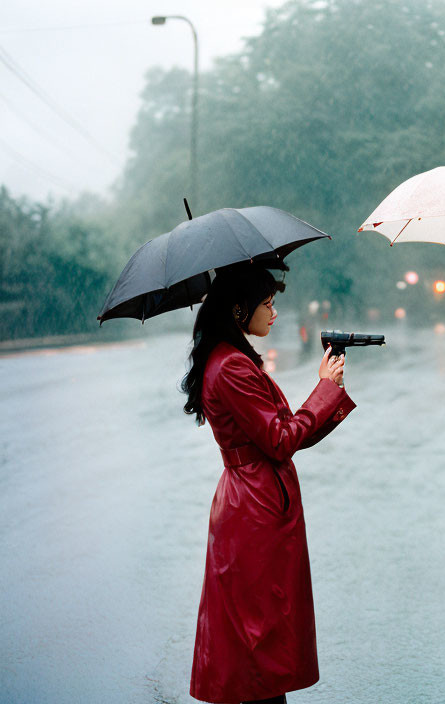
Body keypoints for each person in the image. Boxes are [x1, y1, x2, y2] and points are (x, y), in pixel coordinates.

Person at [182, 263, 355, 704]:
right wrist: (323, 389)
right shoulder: (231, 367)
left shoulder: (232, 359)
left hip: (254, 501)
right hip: (252, 511)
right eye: (267, 304)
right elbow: (280, 440)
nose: (274, 313)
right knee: (256, 640)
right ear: (240, 311)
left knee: (259, 643)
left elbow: (284, 435)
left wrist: (328, 392)